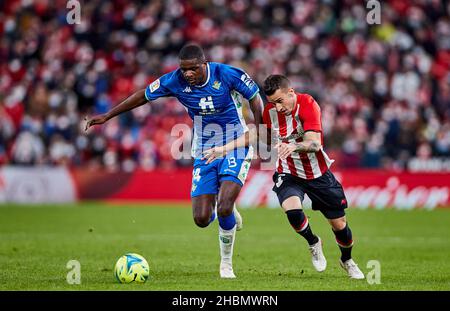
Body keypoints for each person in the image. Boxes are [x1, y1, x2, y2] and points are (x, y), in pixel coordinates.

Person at [85, 44, 264, 278]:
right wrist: (108, 115)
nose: (187, 74)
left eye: (192, 69)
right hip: (204, 150)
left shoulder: (226, 74)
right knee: (201, 219)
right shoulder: (175, 80)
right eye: (184, 69)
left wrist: (261, 127)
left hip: (235, 144)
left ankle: (226, 264)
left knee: (224, 206)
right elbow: (143, 95)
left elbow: (255, 97)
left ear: (204, 64)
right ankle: (226, 210)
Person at [205, 74, 364, 279]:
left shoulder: (308, 104)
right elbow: (255, 134)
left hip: (318, 174)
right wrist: (223, 149)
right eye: (273, 103)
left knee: (339, 224)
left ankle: (347, 260)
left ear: (291, 92)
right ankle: (313, 242)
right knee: (292, 210)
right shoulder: (271, 111)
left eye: (280, 101)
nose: (277, 107)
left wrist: (293, 146)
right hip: (289, 172)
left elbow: (315, 143)